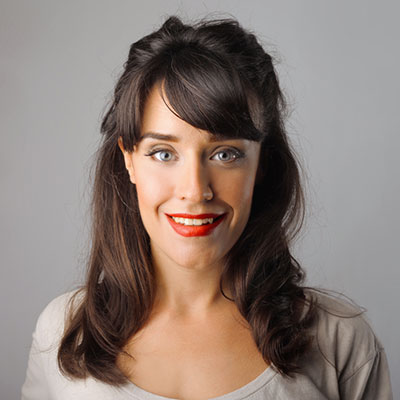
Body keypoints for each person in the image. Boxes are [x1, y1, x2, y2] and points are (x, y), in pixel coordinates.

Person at [21, 15, 393, 400]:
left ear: (262, 163)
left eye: (225, 154)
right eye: (163, 153)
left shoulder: (340, 342)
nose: (195, 190)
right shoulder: (62, 333)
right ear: (128, 159)